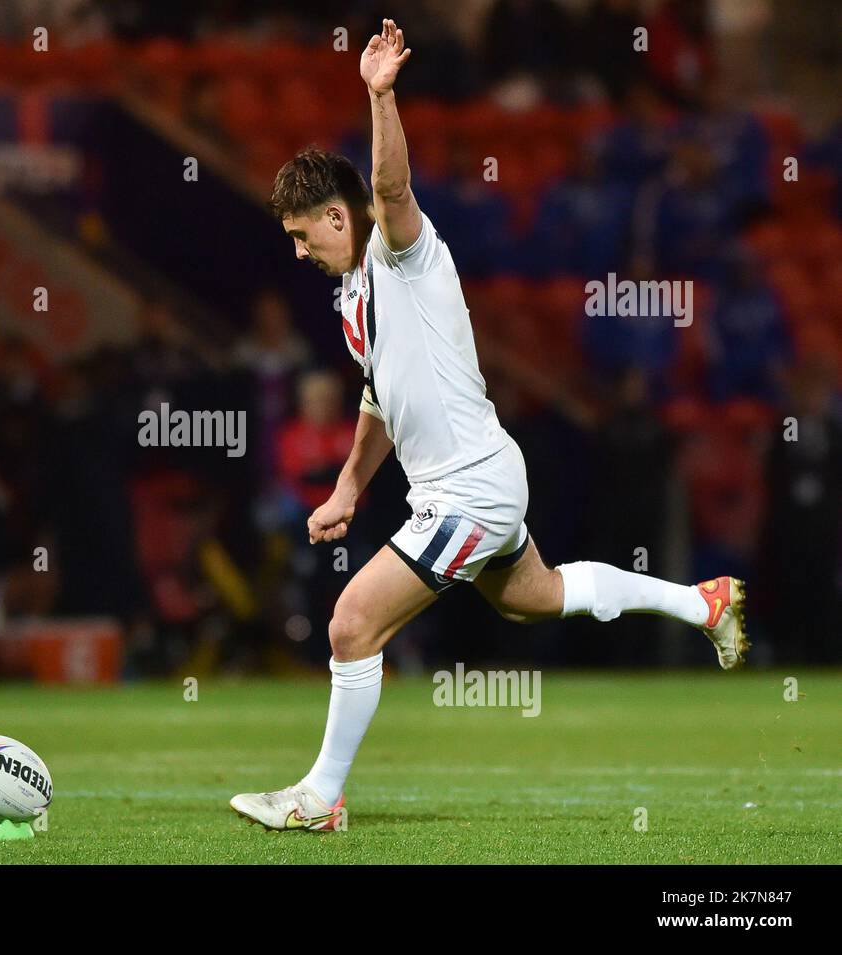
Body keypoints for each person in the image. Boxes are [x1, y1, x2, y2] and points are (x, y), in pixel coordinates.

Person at [230, 20, 748, 833]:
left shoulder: (405, 253)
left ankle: (320, 797)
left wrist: (380, 95)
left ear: (338, 215)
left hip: (467, 490)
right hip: (472, 482)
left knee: (350, 622)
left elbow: (392, 191)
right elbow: (378, 402)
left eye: (303, 236)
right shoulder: (353, 298)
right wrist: (347, 488)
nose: (298, 254)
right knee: (535, 598)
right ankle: (703, 603)